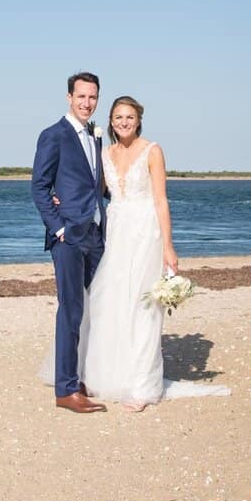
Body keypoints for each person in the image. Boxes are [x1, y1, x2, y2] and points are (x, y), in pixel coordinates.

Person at [83, 95, 176, 411]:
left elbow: (161, 200)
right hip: (117, 233)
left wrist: (168, 246)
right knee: (112, 302)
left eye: (130, 117)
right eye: (118, 117)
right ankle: (111, 375)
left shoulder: (152, 151)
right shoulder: (105, 153)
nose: (124, 122)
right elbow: (93, 190)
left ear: (138, 121)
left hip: (146, 233)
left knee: (143, 306)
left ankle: (142, 387)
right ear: (111, 121)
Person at [31, 72, 107, 413]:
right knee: (71, 310)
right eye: (81, 97)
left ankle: (82, 376)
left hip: (96, 235)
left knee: (95, 309)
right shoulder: (54, 135)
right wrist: (59, 228)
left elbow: (95, 186)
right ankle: (65, 390)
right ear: (69, 97)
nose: (87, 103)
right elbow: (39, 187)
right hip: (69, 237)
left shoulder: (95, 136)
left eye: (92, 97)